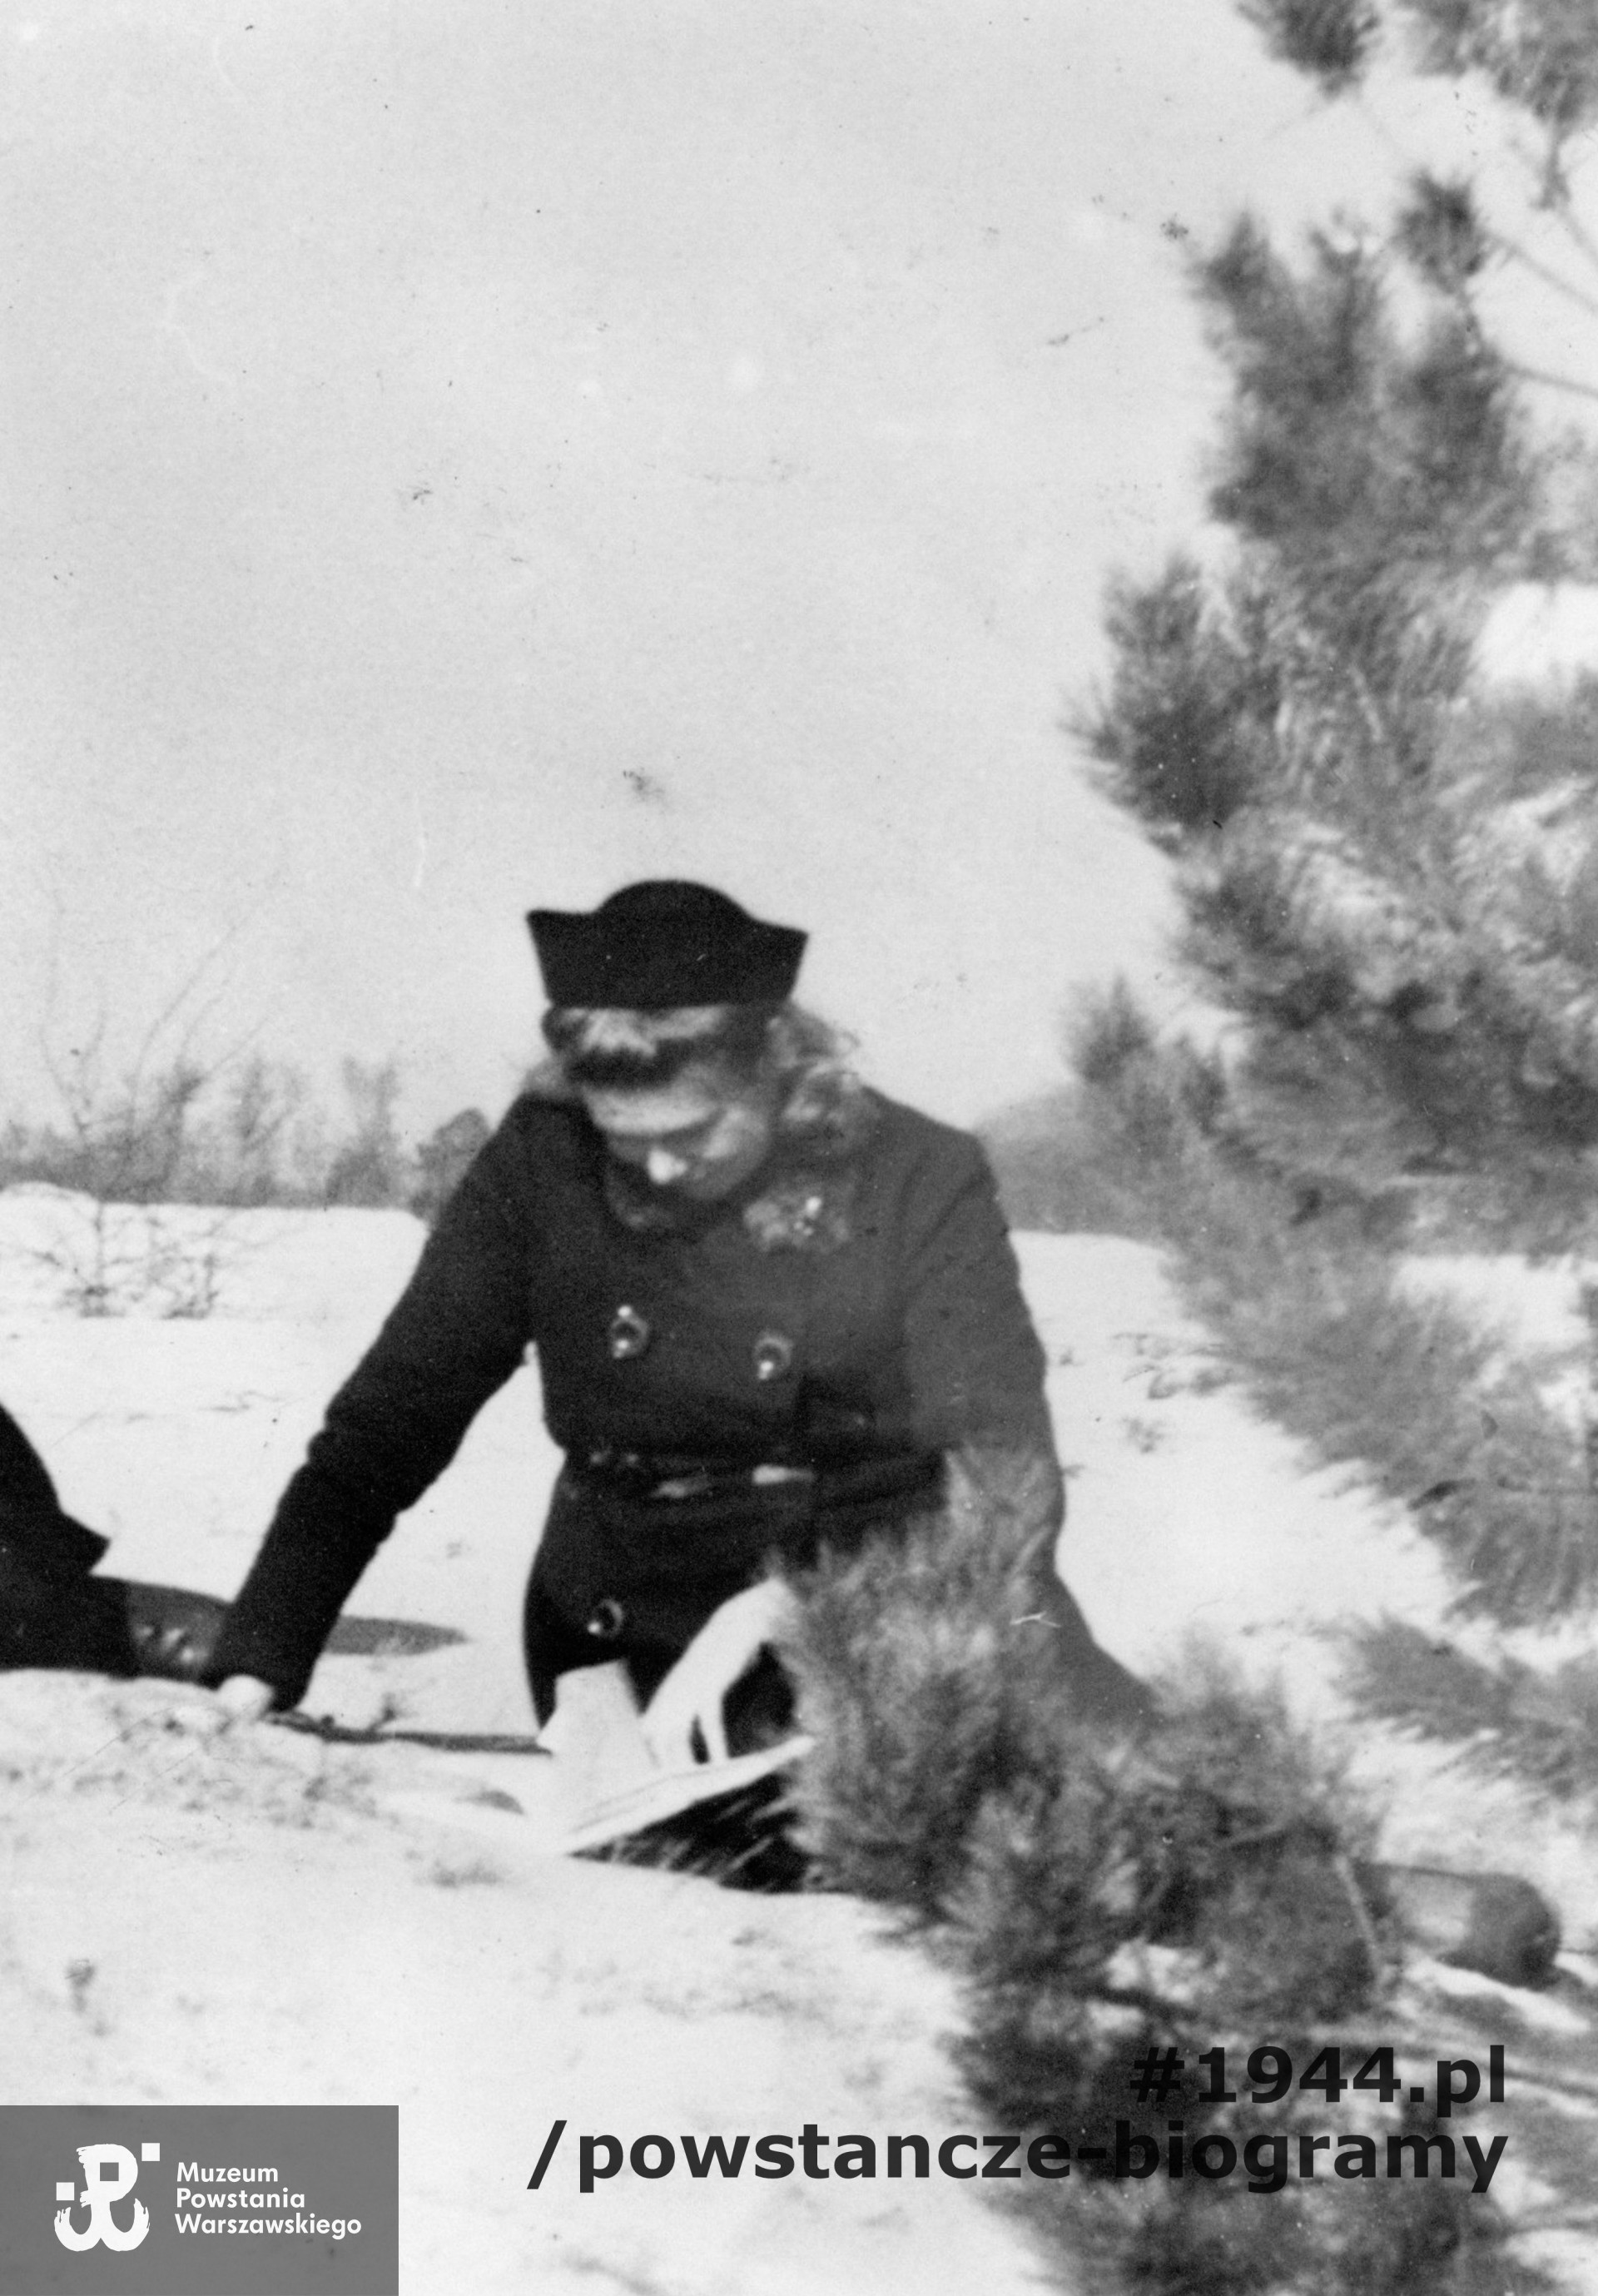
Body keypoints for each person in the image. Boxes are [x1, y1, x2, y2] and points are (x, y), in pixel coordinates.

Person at [204, 881, 1144, 1759]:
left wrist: (798, 1601)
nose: (654, 1172)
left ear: (777, 1068)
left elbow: (1004, 1476)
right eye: (625, 1140)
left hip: (902, 1616)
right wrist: (260, 1657)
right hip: (635, 1641)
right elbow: (388, 1425)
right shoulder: (543, 1159)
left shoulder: (917, 1174)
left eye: (691, 1136)